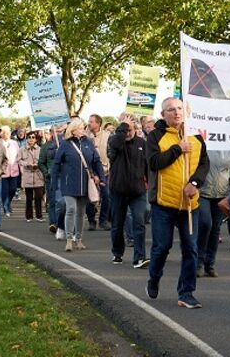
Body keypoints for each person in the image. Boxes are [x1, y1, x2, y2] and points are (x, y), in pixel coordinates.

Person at [146, 97, 209, 309]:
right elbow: (154, 163)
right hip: (163, 203)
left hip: (190, 203)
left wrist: (194, 183)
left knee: (191, 248)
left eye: (180, 108)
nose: (176, 113)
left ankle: (186, 292)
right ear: (163, 114)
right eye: (171, 110)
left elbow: (203, 164)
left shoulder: (196, 134)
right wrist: (177, 149)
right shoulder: (155, 136)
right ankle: (154, 278)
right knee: (161, 247)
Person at [51, 118, 105, 252]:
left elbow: (96, 160)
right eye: (81, 128)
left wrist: (101, 177)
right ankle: (69, 240)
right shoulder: (65, 144)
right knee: (71, 209)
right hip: (69, 183)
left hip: (85, 183)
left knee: (81, 213)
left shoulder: (89, 143)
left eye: (83, 127)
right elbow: (56, 163)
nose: (83, 130)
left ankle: (79, 239)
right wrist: (53, 182)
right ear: (73, 130)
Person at [108, 113, 149, 268]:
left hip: (137, 191)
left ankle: (140, 257)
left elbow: (147, 166)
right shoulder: (115, 142)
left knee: (139, 222)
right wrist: (123, 127)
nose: (129, 132)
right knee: (118, 224)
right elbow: (115, 145)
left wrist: (149, 185)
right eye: (126, 129)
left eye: (132, 128)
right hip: (118, 190)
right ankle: (117, 253)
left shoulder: (141, 143)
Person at [196, 150, 230, 277]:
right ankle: (198, 262)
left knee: (215, 228)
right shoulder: (205, 145)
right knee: (205, 224)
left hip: (222, 193)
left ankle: (210, 264)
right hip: (202, 192)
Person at [86, 114, 111, 231]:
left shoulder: (108, 136)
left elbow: (111, 154)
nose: (89, 123)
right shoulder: (85, 136)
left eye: (91, 121)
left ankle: (103, 220)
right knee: (90, 197)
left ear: (98, 123)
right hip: (89, 172)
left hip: (105, 171)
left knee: (107, 196)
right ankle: (91, 220)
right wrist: (92, 173)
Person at [17, 131, 45, 222]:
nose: (31, 139)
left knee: (39, 196)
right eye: (29, 137)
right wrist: (26, 164)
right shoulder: (22, 149)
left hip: (38, 175)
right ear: (27, 138)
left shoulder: (40, 149)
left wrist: (37, 164)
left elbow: (43, 160)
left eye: (33, 137)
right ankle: (29, 216)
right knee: (29, 198)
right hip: (27, 175)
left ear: (36, 139)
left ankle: (39, 215)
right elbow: (18, 160)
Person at [0, 126, 20, 217]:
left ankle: (8, 203)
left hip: (14, 169)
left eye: (8, 133)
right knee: (4, 190)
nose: (6, 134)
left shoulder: (14, 143)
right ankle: (5, 207)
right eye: (5, 133)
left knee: (12, 189)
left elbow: (19, 155)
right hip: (3, 171)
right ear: (2, 134)